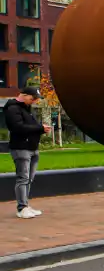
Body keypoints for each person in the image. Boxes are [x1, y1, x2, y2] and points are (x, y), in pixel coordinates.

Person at [4, 86, 50, 219]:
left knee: (29, 179)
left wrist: (40, 129)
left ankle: (25, 205)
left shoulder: (27, 109)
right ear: (23, 95)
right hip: (21, 148)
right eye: (33, 98)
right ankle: (22, 208)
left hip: (32, 148)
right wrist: (40, 128)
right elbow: (18, 127)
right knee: (23, 178)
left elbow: (31, 126)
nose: (34, 101)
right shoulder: (13, 109)